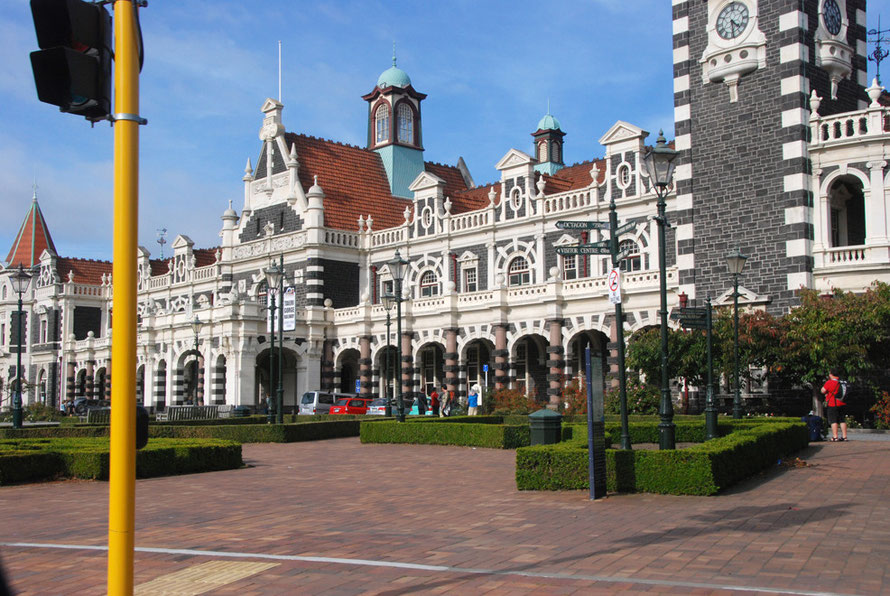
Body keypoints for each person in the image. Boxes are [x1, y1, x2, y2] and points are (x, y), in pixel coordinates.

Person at [821, 368, 848, 441]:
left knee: (833, 420)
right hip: (842, 403)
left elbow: (823, 390)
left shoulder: (829, 382)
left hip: (833, 403)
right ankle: (844, 436)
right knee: (842, 420)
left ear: (831, 374)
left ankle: (835, 437)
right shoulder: (842, 382)